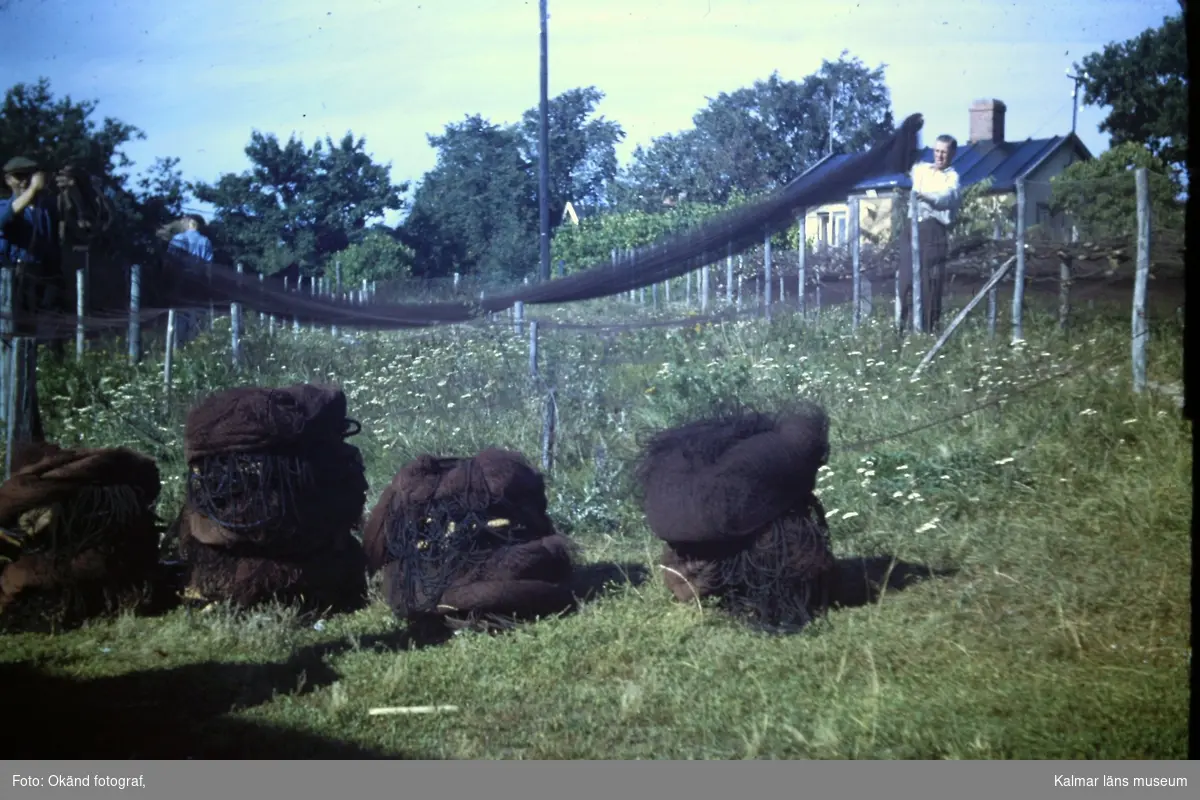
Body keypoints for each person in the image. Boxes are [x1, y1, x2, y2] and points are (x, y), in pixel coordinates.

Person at [899, 134, 961, 333]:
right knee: (905, 281)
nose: (939, 156)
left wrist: (924, 196)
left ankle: (927, 331)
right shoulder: (921, 169)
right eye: (936, 151)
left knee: (929, 284)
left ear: (952, 153)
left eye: (944, 152)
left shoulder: (952, 177)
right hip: (912, 228)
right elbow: (903, 160)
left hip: (933, 231)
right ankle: (901, 329)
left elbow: (946, 198)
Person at [165, 213, 214, 347]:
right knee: (197, 316)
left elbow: (170, 262)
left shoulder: (177, 239)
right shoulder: (205, 241)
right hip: (199, 282)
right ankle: (195, 347)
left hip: (180, 281)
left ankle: (178, 348)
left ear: (189, 222)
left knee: (179, 315)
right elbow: (208, 266)